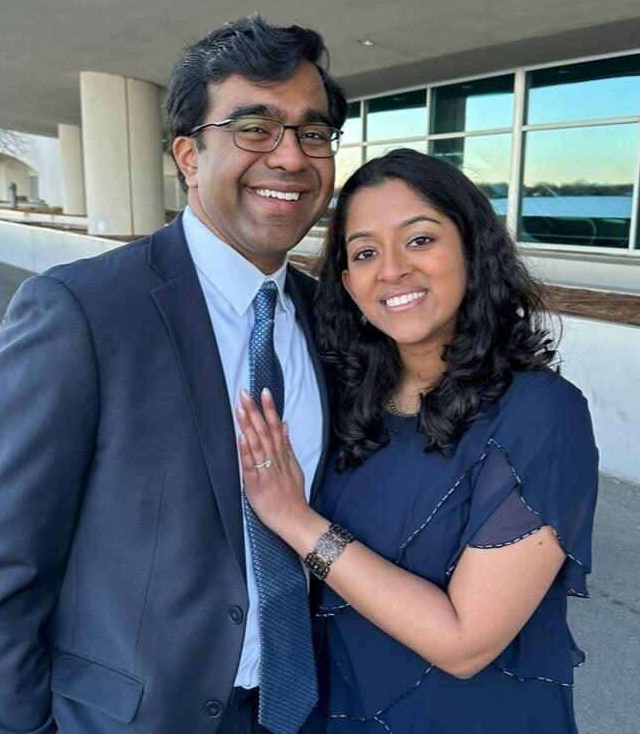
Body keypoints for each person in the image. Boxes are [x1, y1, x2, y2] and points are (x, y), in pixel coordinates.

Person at [0, 16, 346, 734]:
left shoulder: (329, 320)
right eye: (255, 127)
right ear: (188, 155)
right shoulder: (83, 311)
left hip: (299, 712)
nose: (290, 157)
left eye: (312, 133)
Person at [237, 149, 598, 732]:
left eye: (420, 240)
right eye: (365, 252)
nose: (392, 270)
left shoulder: (541, 414)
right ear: (348, 282)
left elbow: (466, 642)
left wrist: (296, 520)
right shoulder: (345, 397)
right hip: (340, 707)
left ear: (472, 248)